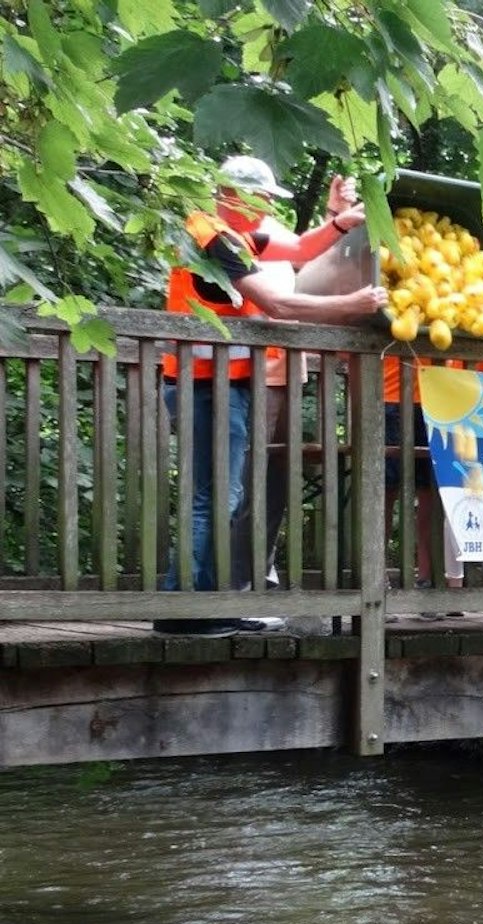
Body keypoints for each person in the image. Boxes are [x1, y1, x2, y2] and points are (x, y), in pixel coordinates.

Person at [154, 156, 386, 637]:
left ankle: (200, 601)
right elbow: (277, 303)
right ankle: (187, 610)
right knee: (213, 496)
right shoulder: (210, 234)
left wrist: (341, 221)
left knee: (220, 494)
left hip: (224, 382)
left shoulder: (236, 233)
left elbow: (300, 246)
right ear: (232, 194)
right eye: (259, 199)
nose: (265, 210)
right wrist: (352, 305)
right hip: (205, 382)